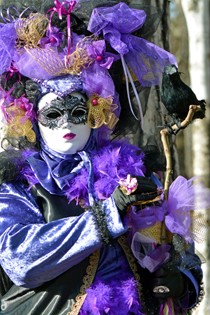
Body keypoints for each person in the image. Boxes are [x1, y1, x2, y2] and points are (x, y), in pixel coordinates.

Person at [0, 1, 207, 314]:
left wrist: (182, 280)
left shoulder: (130, 170)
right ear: (32, 119)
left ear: (96, 112)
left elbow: (175, 248)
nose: (67, 123)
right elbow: (21, 260)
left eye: (78, 112)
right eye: (53, 114)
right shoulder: (20, 186)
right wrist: (109, 214)